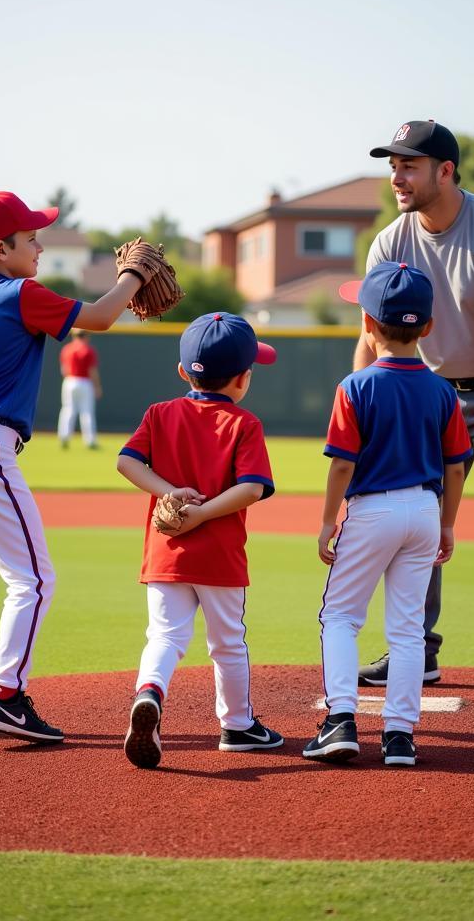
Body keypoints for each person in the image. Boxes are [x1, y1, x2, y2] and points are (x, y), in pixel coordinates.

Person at [0, 190, 150, 741]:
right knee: (35, 581)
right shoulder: (20, 293)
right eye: (32, 238)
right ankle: (7, 695)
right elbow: (103, 316)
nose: (39, 246)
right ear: (0, 248)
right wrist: (132, 275)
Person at [357, 120, 474, 704]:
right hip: (431, 392)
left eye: (409, 164)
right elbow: (372, 337)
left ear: (446, 170)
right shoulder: (391, 243)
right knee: (416, 515)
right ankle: (416, 647)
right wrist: (363, 410)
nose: (397, 175)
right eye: (392, 165)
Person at [304, 262, 470, 766]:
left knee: (340, 616)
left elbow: (340, 468)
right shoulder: (444, 391)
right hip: (424, 508)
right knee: (406, 629)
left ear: (368, 325)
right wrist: (446, 524)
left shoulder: (355, 386)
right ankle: (399, 735)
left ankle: (341, 722)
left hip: (371, 510)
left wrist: (328, 519)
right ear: (428, 327)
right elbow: (457, 469)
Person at [116, 312, 284, 769]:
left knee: (165, 636)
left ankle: (149, 692)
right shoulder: (244, 424)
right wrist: (202, 514)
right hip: (219, 557)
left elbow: (126, 463)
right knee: (227, 643)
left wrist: (170, 495)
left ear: (182, 371)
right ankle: (237, 725)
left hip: (165, 552)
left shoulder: (160, 413)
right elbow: (251, 488)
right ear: (244, 378)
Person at [57, 329, 101, 449]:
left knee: (68, 409)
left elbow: (64, 370)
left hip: (69, 381)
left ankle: (63, 437)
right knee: (86, 412)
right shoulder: (88, 350)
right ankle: (90, 441)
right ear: (86, 336)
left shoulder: (66, 349)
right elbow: (92, 371)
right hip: (85, 382)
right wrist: (97, 386)